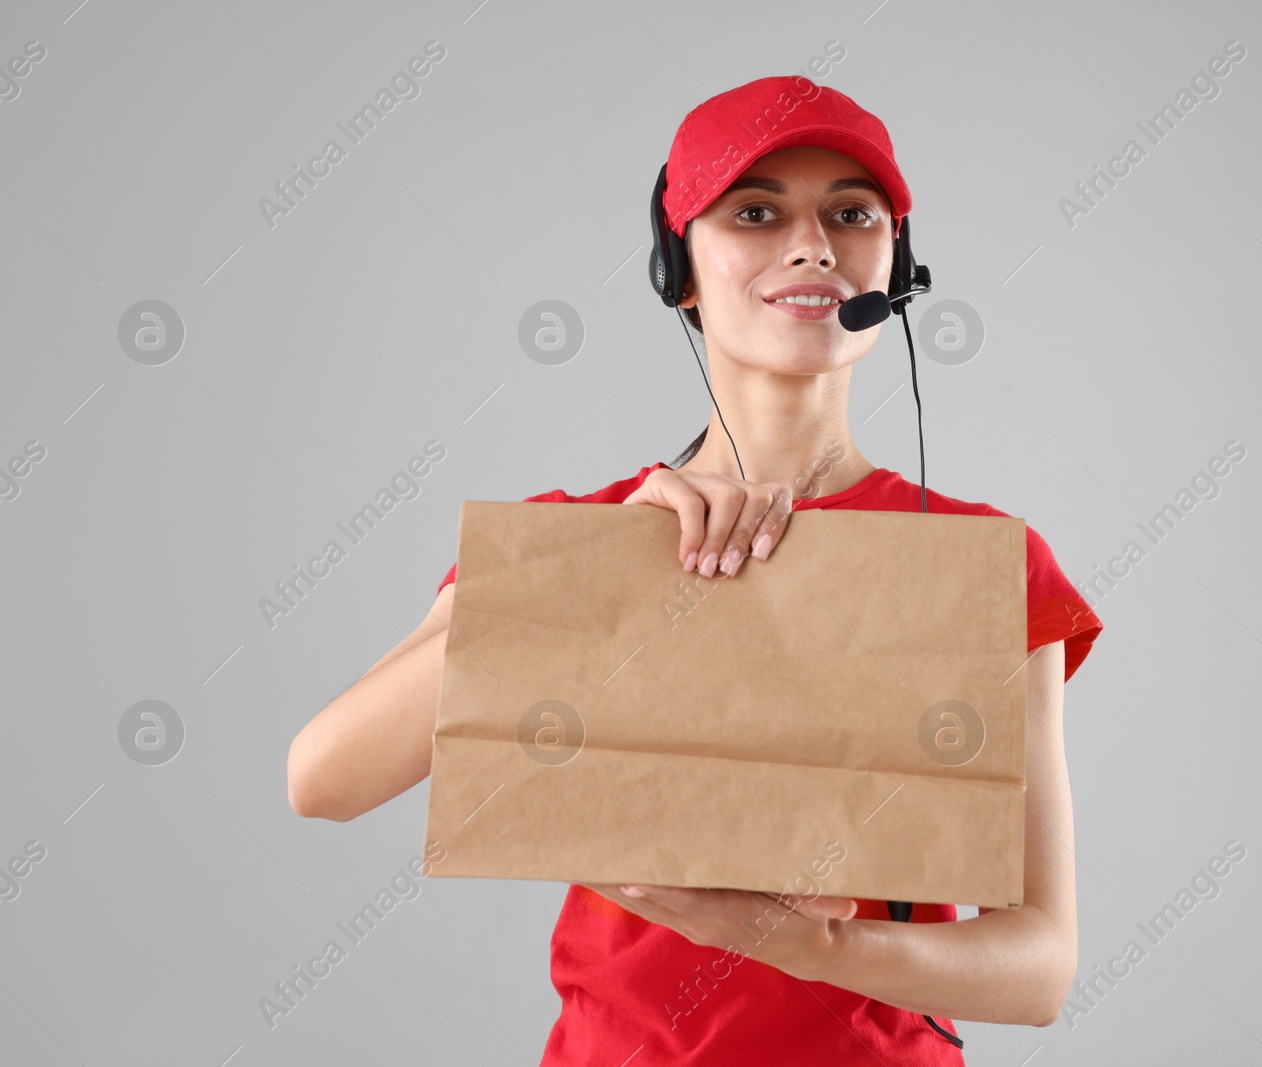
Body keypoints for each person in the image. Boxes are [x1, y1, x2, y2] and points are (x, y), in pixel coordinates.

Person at [287, 75, 1104, 1065]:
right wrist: (590, 574)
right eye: (755, 211)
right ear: (680, 268)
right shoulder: (576, 537)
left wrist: (816, 945)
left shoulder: (981, 567)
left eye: (852, 213)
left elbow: (1039, 966)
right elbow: (322, 777)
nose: (812, 244)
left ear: (898, 265)